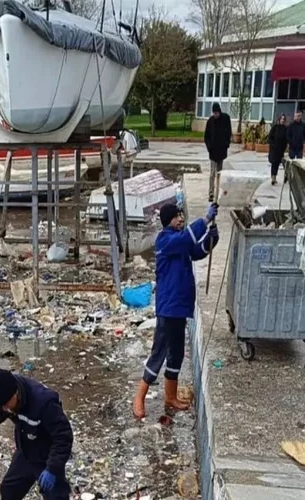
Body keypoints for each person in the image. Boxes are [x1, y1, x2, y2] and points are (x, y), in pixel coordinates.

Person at [133, 203, 220, 419]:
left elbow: (197, 251)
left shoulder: (180, 242)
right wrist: (204, 221)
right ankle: (140, 396)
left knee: (177, 353)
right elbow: (186, 240)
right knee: (159, 352)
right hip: (168, 306)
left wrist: (212, 238)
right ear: (168, 220)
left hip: (180, 307)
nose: (181, 220)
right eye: (177, 217)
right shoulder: (165, 240)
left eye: (181, 216)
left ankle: (170, 396)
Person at [0, 369, 73, 500]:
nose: (5, 409)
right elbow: (0, 408)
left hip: (47, 455)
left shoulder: (44, 402)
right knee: (9, 490)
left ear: (16, 393)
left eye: (5, 404)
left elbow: (63, 436)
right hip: (25, 451)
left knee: (55, 496)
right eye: (1, 405)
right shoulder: (6, 394)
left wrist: (53, 468)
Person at [204, 103, 232, 202]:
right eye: (214, 113)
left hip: (221, 151)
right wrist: (209, 147)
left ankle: (218, 192)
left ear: (219, 111)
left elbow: (228, 132)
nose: (215, 115)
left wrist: (226, 145)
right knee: (212, 173)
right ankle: (211, 193)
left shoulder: (225, 119)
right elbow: (206, 136)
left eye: (217, 113)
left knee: (219, 173)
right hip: (213, 152)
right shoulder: (210, 121)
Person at [267, 114, 288, 186]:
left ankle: (286, 176)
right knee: (274, 163)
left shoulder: (285, 128)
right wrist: (273, 144)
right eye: (281, 119)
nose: (282, 120)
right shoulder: (275, 127)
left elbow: (286, 139)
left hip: (281, 149)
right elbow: (270, 138)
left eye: (283, 119)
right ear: (279, 119)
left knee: (281, 163)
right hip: (274, 149)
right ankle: (273, 178)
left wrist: (285, 147)